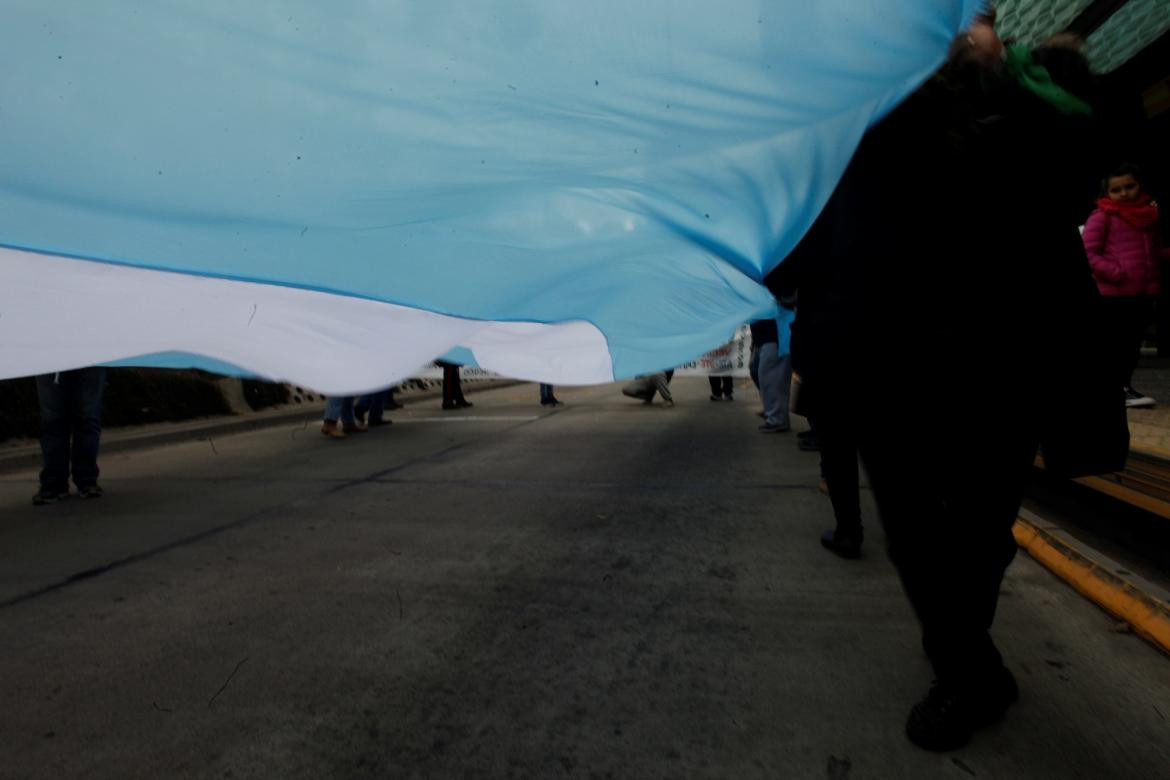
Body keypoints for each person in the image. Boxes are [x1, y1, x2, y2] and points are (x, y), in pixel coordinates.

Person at [765, 18, 1124, 752]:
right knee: (919, 535)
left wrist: (1013, 75)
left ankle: (965, 662)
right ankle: (968, 667)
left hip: (1006, 357)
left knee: (977, 527)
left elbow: (1086, 164)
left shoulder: (1022, 104)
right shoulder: (842, 120)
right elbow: (792, 247)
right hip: (884, 362)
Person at [1082, 163, 1169, 407]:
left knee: (1131, 345)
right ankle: (1114, 389)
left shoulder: (1148, 216)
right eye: (1116, 189)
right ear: (1106, 192)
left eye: (1129, 186)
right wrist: (1116, 272)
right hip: (1113, 293)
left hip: (1141, 291)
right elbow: (1088, 252)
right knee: (1115, 345)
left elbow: (1154, 250)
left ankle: (1123, 387)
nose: (1124, 193)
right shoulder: (1103, 216)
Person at [32, 367, 106, 504]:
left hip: (87, 355)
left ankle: (84, 480)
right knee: (53, 420)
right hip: (50, 357)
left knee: (86, 417)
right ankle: (57, 483)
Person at [750, 316, 793, 433]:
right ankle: (773, 409)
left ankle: (777, 418)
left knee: (773, 378)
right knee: (758, 372)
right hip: (763, 337)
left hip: (775, 336)